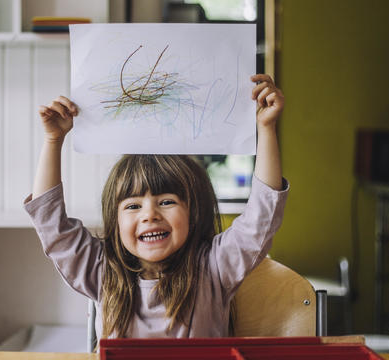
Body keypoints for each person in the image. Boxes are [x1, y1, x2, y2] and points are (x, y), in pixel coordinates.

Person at [24, 74, 288, 340]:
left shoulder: (215, 267)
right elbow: (51, 224)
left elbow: (261, 217)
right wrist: (53, 140)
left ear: (192, 212)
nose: (150, 215)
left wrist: (265, 129)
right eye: (133, 206)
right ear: (115, 222)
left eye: (166, 202)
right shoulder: (102, 270)